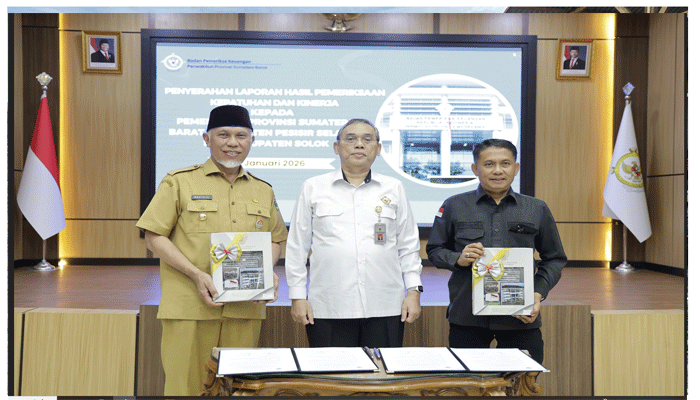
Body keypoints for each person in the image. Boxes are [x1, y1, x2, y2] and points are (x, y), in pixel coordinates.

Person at [136, 105, 288, 395]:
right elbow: (154, 237)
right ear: (207, 139)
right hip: (190, 307)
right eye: (223, 135)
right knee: (186, 388)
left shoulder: (263, 190)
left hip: (244, 307)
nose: (233, 143)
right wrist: (197, 275)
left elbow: (275, 239)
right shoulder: (179, 181)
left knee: (238, 388)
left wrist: (266, 271)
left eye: (241, 136)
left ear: (252, 141)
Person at [426, 138, 566, 364]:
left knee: (523, 378)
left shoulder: (536, 208)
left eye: (505, 163)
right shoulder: (454, 205)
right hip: (467, 315)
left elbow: (555, 259)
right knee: (468, 381)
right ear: (475, 169)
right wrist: (458, 258)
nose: (498, 170)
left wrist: (537, 293)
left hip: (520, 316)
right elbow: (434, 250)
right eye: (489, 164)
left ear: (516, 168)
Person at [285, 118, 422, 348]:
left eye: (367, 139)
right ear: (336, 147)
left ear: (378, 149)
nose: (359, 144)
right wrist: (298, 296)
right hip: (329, 306)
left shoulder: (394, 187)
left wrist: (414, 292)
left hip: (386, 305)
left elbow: (408, 245)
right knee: (332, 371)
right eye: (351, 139)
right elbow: (297, 245)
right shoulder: (313, 187)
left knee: (381, 370)